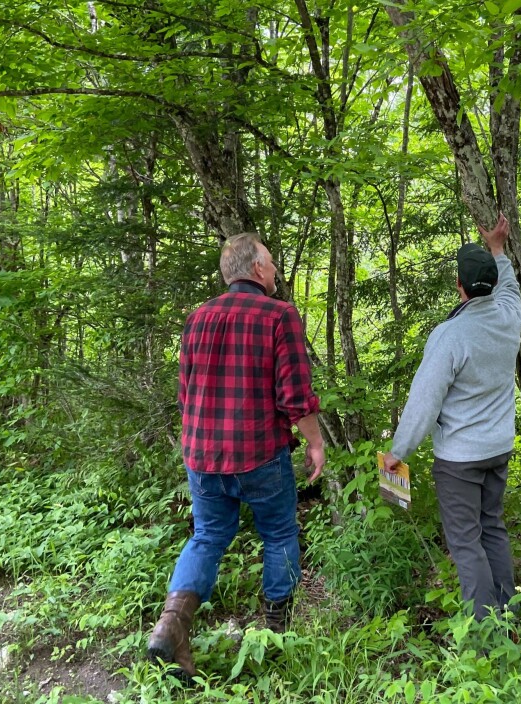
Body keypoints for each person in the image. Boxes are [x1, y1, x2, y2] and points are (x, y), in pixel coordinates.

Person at [148, 232, 325, 680]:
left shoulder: (198, 317)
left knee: (207, 536)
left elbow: (185, 395)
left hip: (201, 456)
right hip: (260, 455)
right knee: (280, 531)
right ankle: (275, 631)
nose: (276, 271)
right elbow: (296, 395)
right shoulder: (279, 315)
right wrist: (315, 442)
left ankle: (172, 624)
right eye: (270, 262)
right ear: (256, 270)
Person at [383, 213, 521, 621]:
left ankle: (485, 632)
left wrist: (398, 452)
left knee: (465, 540)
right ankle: (509, 613)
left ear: (458, 286)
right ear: (492, 284)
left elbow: (424, 402)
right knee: (492, 527)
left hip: (460, 458)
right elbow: (510, 286)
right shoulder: (509, 317)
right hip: (498, 448)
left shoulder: (450, 336)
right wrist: (498, 248)